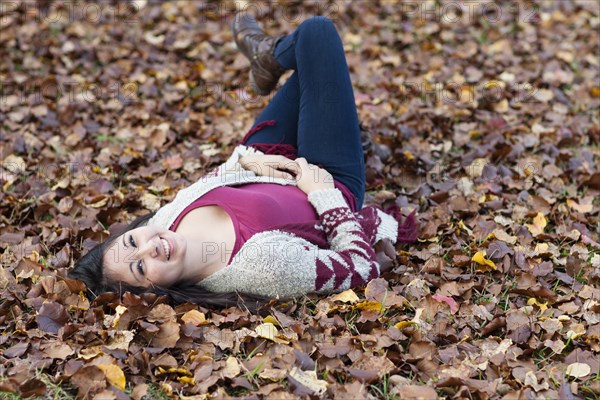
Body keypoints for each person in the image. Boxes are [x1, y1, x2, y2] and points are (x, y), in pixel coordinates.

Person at [69, 14, 417, 309]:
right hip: (328, 178)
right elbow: (359, 267)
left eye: (132, 242)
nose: (150, 247)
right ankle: (273, 59)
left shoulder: (165, 219)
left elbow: (223, 172)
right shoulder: (261, 268)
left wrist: (255, 164)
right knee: (316, 38)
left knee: (317, 70)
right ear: (154, 293)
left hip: (266, 157)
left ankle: (287, 73)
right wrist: (323, 193)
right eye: (141, 269)